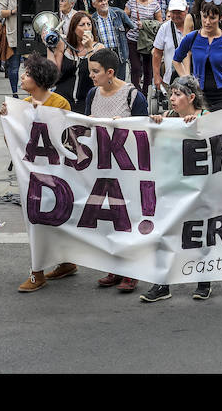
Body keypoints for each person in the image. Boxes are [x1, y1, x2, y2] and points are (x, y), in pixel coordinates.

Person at [0, 55, 77, 292]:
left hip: (56, 174)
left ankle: (43, 272)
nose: (22, 77)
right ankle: (43, 269)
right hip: (33, 175)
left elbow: (63, 138)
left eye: (27, 74)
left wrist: (37, 114)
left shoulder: (60, 104)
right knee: (37, 221)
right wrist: (6, 119)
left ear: (39, 80)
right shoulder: (21, 103)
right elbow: (14, 143)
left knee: (51, 220)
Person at [140, 75, 212, 303]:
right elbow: (149, 143)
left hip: (197, 185)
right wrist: (153, 125)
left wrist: (198, 127)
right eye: (171, 94)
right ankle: (163, 283)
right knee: (165, 232)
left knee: (199, 232)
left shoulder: (206, 117)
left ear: (191, 97)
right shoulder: (167, 118)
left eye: (177, 94)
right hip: (170, 184)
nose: (172, 99)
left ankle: (204, 280)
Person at [85, 48, 149, 293]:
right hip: (102, 168)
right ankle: (114, 267)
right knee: (110, 219)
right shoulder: (93, 94)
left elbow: (145, 134)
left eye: (95, 71)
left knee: (128, 219)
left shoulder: (133, 96)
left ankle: (131, 271)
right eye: (90, 71)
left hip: (127, 169)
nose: (92, 76)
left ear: (110, 72)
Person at [172, 0, 222, 111]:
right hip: (200, 94)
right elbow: (176, 60)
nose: (207, 22)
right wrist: (187, 79)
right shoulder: (192, 37)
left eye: (212, 18)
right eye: (205, 17)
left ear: (221, 18)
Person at [47, 11, 105, 114]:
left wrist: (89, 48)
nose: (86, 28)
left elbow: (95, 73)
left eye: (89, 24)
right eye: (82, 25)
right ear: (74, 28)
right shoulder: (64, 45)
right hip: (63, 100)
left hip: (87, 101)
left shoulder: (98, 47)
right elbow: (53, 76)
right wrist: (50, 48)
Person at [125, 0, 163, 94]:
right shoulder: (131, 3)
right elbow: (124, 18)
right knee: (135, 68)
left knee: (148, 69)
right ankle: (136, 92)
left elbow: (159, 23)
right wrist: (131, 25)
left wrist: (146, 24)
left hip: (147, 40)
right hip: (133, 39)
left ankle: (146, 92)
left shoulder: (155, 4)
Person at [90, 0, 134, 80]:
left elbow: (130, 26)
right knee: (105, 82)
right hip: (103, 54)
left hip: (119, 53)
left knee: (120, 82)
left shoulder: (118, 13)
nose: (103, 3)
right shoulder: (92, 19)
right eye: (100, 1)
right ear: (94, 4)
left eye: (105, 0)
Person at [152, 0, 189, 92]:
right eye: (173, 12)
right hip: (172, 79)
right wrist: (156, 76)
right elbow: (157, 53)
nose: (176, 15)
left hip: (194, 77)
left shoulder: (194, 26)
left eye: (179, 12)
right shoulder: (164, 28)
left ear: (187, 10)